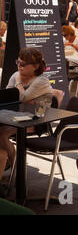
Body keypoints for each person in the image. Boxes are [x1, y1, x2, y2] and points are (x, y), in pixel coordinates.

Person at [0, 48, 53, 179]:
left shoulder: (41, 80)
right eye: (18, 62)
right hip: (16, 117)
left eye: (23, 64)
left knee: (1, 134)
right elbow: (9, 97)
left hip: (38, 119)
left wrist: (18, 82)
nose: (19, 66)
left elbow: (22, 98)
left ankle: (15, 170)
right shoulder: (16, 74)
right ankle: (11, 166)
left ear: (35, 66)